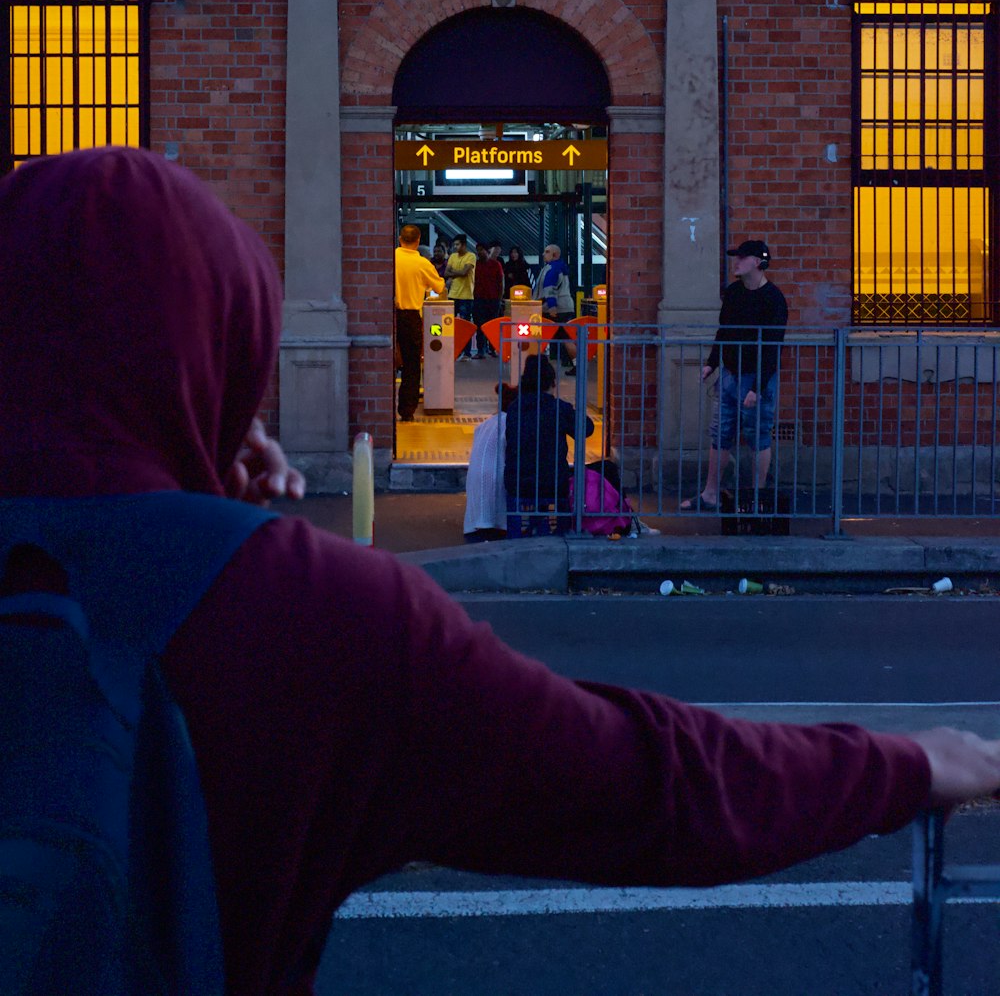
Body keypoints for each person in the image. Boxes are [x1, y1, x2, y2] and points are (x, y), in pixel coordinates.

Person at [4, 149, 1000, 996]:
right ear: (227, 338)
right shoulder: (307, 616)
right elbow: (643, 783)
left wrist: (179, 465)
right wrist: (902, 763)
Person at [685, 238, 789, 511]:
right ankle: (710, 493)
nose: (736, 262)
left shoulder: (773, 299)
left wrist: (757, 387)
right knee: (720, 433)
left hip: (754, 377)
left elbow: (772, 347)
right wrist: (712, 363)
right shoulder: (733, 292)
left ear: (757, 262)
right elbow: (725, 331)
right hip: (730, 375)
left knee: (758, 435)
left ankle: (757, 496)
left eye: (742, 258)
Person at [504, 354, 594, 537]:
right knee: (554, 481)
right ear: (551, 383)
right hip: (553, 481)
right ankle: (556, 531)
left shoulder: (514, 408)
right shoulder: (558, 408)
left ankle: (532, 528)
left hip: (518, 481)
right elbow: (587, 429)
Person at [394, 224, 446, 422]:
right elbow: (439, 286)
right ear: (417, 241)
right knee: (411, 364)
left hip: (388, 314)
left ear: (400, 239)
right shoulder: (423, 263)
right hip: (410, 317)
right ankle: (406, 410)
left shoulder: (391, 258)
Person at [463, 382, 517, 543]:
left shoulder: (487, 423)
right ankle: (498, 524)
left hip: (474, 495)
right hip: (493, 483)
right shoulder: (510, 423)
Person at [535, 241, 577, 371]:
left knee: (539, 335)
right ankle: (577, 364)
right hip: (565, 306)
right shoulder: (561, 267)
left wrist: (552, 306)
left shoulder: (552, 269)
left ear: (555, 254)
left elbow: (550, 289)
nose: (543, 254)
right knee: (566, 337)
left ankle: (536, 366)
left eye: (547, 252)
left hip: (555, 308)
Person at [444, 233, 477, 358]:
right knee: (449, 324)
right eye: (454, 245)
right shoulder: (452, 256)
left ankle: (466, 352)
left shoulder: (471, 256)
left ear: (464, 245)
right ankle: (453, 350)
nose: (455, 247)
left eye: (457, 244)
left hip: (466, 296)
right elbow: (446, 273)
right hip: (453, 294)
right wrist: (456, 272)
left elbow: (464, 273)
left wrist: (453, 272)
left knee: (465, 326)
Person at [471, 242, 504, 359]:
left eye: (482, 250)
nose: (480, 252)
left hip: (493, 299)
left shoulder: (496, 265)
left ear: (487, 251)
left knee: (492, 326)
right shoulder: (475, 265)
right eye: (478, 250)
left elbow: (500, 282)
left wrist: (499, 299)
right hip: (478, 299)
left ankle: (492, 349)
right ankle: (481, 350)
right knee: (479, 325)